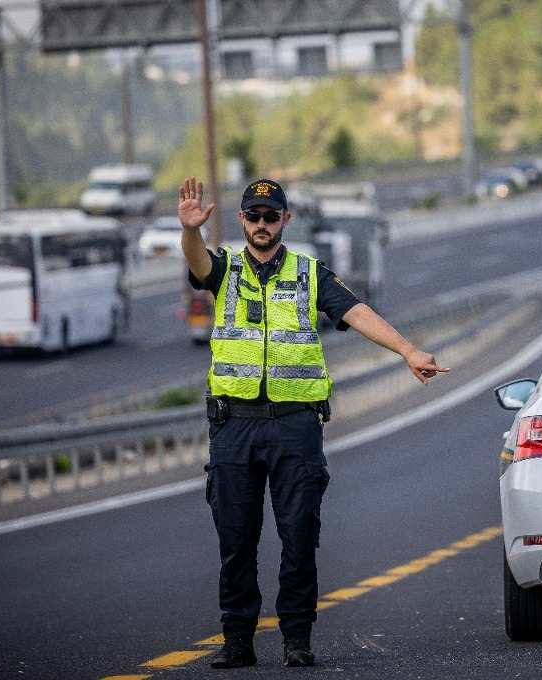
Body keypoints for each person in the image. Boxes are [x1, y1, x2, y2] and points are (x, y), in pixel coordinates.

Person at [178, 176, 448, 669]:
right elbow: (196, 263)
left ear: (286, 220)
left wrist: (408, 350)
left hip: (295, 426)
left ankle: (296, 638)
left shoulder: (309, 273)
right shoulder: (226, 269)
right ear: (242, 221)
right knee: (235, 539)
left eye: (271, 216)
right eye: (253, 216)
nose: (262, 224)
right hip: (233, 425)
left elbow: (358, 311)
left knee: (299, 535)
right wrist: (191, 230)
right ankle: (237, 640)